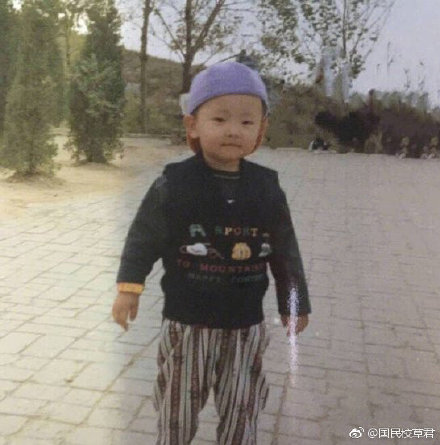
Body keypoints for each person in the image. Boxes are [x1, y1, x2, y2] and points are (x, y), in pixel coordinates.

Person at [112, 61, 311, 445]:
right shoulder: (174, 184)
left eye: (246, 122)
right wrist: (129, 288)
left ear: (261, 130)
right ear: (193, 126)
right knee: (177, 409)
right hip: (187, 324)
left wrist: (294, 301)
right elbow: (143, 238)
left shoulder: (267, 188)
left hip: (245, 327)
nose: (233, 130)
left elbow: (285, 250)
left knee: (243, 407)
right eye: (219, 119)